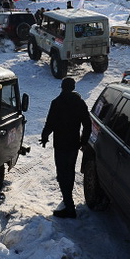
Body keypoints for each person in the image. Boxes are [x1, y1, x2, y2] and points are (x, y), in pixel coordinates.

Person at [40, 77, 91, 219]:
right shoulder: (80, 103)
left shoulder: (56, 103)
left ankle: (69, 208)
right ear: (73, 87)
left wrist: (45, 137)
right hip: (73, 144)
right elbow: (87, 123)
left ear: (62, 87)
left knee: (62, 173)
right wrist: (83, 141)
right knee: (69, 171)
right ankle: (67, 197)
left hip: (61, 145)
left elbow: (50, 123)